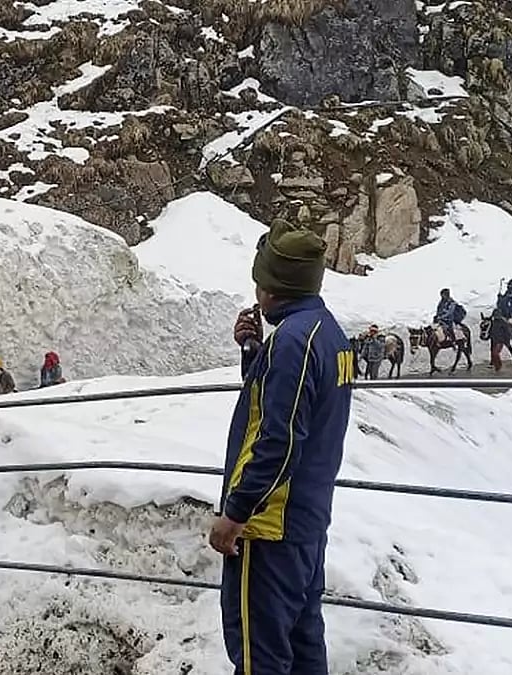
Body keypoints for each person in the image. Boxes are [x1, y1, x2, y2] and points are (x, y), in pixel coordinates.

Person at [212, 219, 353, 675]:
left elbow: (279, 438)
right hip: (307, 522)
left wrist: (235, 514)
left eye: (260, 283)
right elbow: (291, 408)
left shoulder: (292, 342)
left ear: (273, 287)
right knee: (304, 642)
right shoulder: (328, 334)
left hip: (269, 526)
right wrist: (254, 351)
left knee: (260, 656)